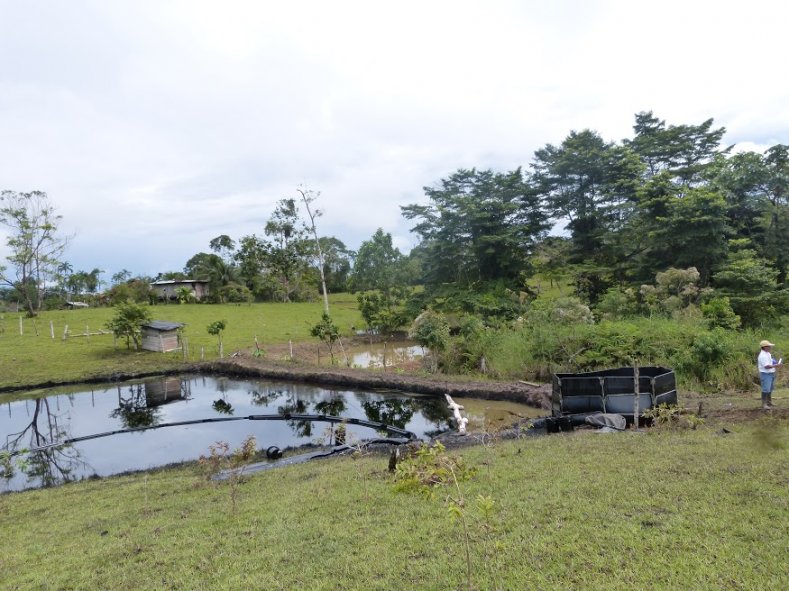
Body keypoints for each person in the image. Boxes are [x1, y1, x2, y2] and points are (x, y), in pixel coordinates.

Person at [757, 340, 782, 409]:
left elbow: (771, 361)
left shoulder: (767, 353)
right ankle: (764, 404)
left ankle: (769, 402)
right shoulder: (762, 356)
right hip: (765, 374)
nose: (770, 347)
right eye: (769, 346)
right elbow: (766, 366)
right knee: (766, 389)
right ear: (765, 347)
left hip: (771, 373)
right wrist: (776, 366)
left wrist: (775, 363)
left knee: (770, 388)